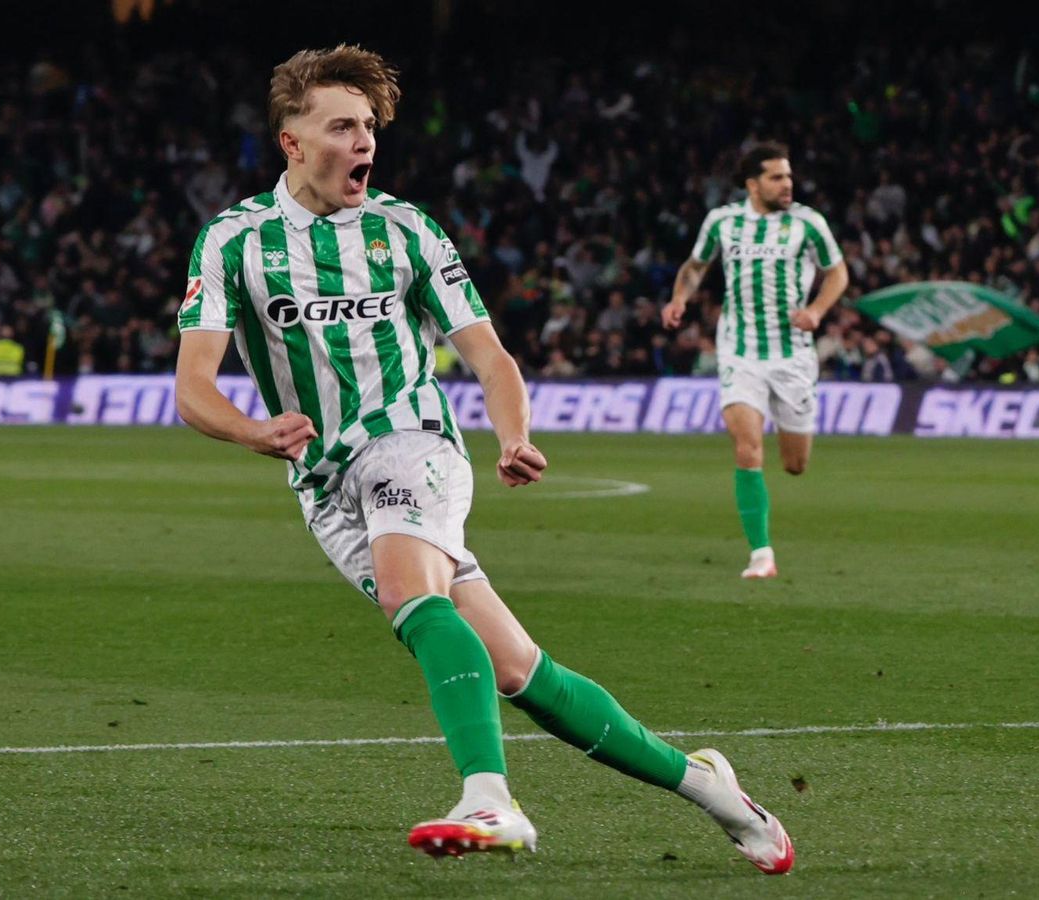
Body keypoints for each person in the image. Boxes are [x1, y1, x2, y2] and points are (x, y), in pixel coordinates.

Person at [172, 44, 793, 874]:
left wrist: (514, 434)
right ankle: (713, 789)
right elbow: (193, 388)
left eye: (369, 126)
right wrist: (253, 431)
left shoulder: (407, 231)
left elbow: (490, 357)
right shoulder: (232, 241)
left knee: (412, 595)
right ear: (291, 142)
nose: (365, 141)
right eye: (342, 127)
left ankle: (489, 798)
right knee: (518, 670)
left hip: (412, 443)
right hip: (325, 486)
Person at [662, 142, 849, 579]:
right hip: (739, 350)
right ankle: (761, 554)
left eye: (788, 176)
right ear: (752, 184)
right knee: (747, 448)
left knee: (795, 464)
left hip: (792, 356)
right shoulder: (722, 221)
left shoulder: (807, 223)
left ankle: (764, 541)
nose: (787, 184)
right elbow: (695, 266)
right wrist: (679, 298)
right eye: (776, 177)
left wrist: (817, 311)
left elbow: (837, 272)